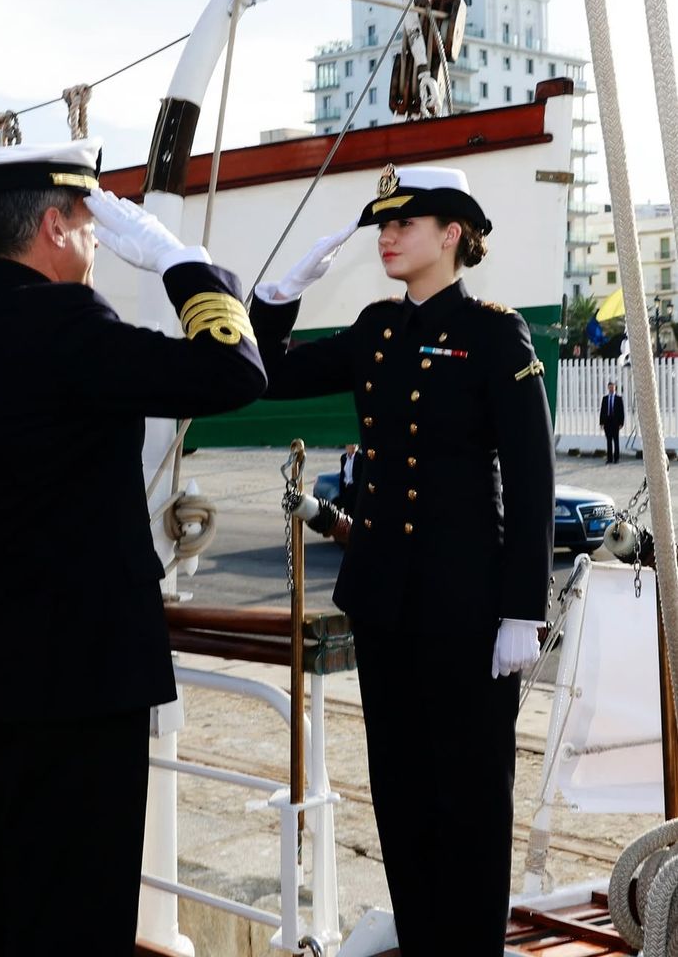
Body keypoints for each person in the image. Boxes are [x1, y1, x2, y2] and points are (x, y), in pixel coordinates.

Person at [0, 138, 267, 957]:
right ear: (55, 226)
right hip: (81, 686)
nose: (102, 238)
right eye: (92, 221)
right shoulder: (70, 330)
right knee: (77, 910)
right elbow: (233, 373)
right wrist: (181, 264)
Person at [249, 164, 554, 954]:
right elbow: (266, 373)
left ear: (451, 234)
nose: (385, 236)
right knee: (404, 793)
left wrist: (523, 606)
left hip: (466, 608)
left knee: (472, 799)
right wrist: (278, 297)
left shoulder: (494, 331)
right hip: (384, 603)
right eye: (381, 225)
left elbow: (529, 475)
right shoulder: (374, 328)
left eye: (404, 224)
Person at [600, 380, 625, 463]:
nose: (611, 389)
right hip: (607, 423)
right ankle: (609, 458)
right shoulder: (605, 398)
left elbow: (622, 412)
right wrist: (601, 423)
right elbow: (602, 411)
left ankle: (616, 458)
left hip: (615, 423)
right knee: (609, 441)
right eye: (610, 387)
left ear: (615, 388)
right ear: (608, 388)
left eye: (612, 387)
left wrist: (621, 423)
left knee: (616, 441)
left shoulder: (619, 399)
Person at [338, 442, 363, 516]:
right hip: (346, 489)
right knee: (347, 515)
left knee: (356, 514)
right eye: (351, 444)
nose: (354, 445)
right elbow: (342, 474)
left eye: (355, 444)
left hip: (355, 490)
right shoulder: (343, 458)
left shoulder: (360, 457)